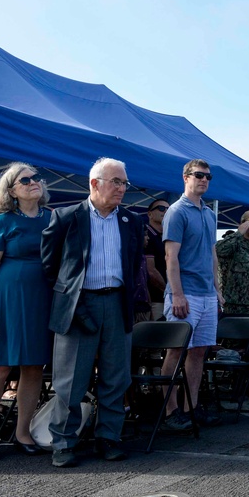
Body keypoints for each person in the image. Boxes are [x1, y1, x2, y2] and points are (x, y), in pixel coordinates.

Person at [41, 158, 144, 467]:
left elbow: (134, 261)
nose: (122, 188)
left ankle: (109, 438)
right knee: (70, 381)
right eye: (116, 182)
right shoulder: (65, 217)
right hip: (78, 305)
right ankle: (63, 442)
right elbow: (50, 267)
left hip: (116, 304)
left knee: (116, 377)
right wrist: (71, 298)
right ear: (94, 184)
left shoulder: (131, 221)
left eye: (124, 183)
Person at [0, 163, 53, 460]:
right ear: (11, 190)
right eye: (26, 180)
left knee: (34, 367)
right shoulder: (1, 222)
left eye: (36, 178)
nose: (34, 182)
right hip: (7, 301)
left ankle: (23, 432)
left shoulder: (52, 218)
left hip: (41, 300)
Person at [161, 159, 224, 431]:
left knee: (198, 352)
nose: (204, 180)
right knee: (176, 350)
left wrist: (217, 290)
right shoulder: (176, 212)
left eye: (208, 176)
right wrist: (177, 294)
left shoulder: (209, 214)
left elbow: (211, 254)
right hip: (184, 293)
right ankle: (170, 411)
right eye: (199, 175)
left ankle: (191, 407)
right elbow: (170, 257)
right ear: (185, 177)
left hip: (206, 295)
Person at [144, 199, 170, 320]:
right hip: (155, 299)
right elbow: (151, 271)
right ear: (150, 214)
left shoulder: (166, 237)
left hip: (168, 298)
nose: (165, 211)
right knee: (158, 336)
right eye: (161, 208)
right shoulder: (146, 236)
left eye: (168, 209)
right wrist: (169, 292)